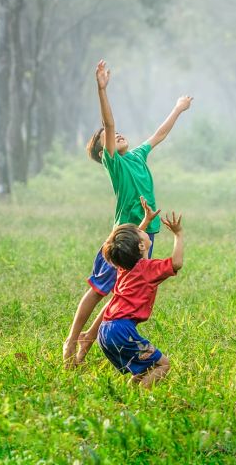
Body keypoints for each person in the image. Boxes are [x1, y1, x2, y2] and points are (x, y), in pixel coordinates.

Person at [62, 59, 192, 367]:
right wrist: (102, 89)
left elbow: (159, 134)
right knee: (98, 290)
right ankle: (72, 341)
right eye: (107, 137)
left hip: (146, 235)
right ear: (102, 151)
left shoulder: (136, 155)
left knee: (122, 294)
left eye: (118, 134)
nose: (117, 135)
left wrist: (177, 108)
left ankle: (85, 348)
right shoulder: (115, 164)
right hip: (123, 237)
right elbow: (108, 124)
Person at [97, 197, 184, 388]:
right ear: (141, 246)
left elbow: (133, 243)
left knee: (145, 367)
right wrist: (178, 234)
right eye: (139, 231)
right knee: (163, 364)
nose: (141, 229)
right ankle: (141, 399)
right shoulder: (148, 269)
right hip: (121, 331)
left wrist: (145, 221)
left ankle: (130, 393)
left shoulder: (123, 267)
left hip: (105, 330)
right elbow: (176, 263)